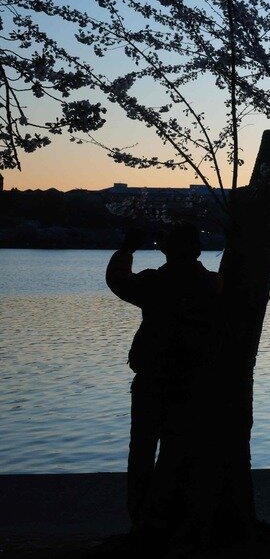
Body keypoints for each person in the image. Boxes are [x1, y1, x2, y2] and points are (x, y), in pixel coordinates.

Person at [105, 223, 221, 531]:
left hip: (153, 377)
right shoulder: (214, 285)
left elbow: (118, 280)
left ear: (165, 250)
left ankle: (142, 517)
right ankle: (177, 516)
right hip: (195, 378)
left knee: (142, 449)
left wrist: (126, 249)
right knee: (181, 448)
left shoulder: (155, 283)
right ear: (197, 251)